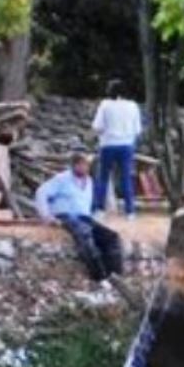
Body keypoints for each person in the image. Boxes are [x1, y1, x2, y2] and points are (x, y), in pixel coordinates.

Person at [35, 151, 124, 282]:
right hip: (65, 215)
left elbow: (86, 205)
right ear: (74, 165)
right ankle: (99, 277)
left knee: (112, 237)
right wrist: (46, 216)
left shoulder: (89, 181)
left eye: (87, 165)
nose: (85, 168)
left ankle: (115, 277)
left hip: (84, 217)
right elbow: (41, 192)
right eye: (81, 165)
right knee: (84, 234)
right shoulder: (62, 179)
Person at [93, 78, 144, 218]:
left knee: (103, 177)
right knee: (126, 177)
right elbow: (138, 130)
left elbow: (97, 126)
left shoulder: (105, 105)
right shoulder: (133, 106)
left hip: (108, 144)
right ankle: (130, 211)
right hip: (127, 145)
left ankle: (99, 210)